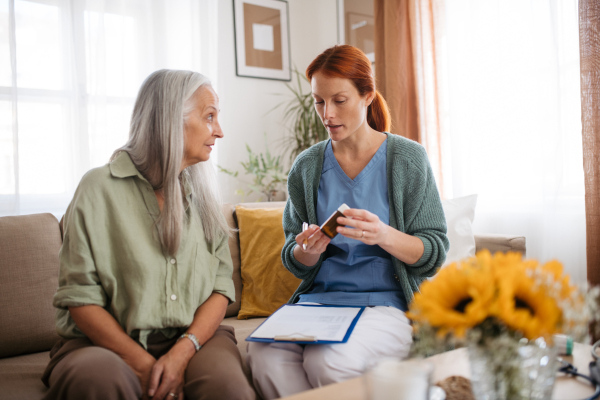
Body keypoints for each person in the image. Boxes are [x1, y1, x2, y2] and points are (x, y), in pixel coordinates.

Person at [246, 45, 449, 399]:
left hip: (386, 305)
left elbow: (434, 253)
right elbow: (294, 260)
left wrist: (384, 235)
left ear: (367, 95)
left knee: (327, 362)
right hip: (319, 304)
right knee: (264, 355)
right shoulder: (307, 167)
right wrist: (307, 250)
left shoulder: (407, 159)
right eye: (319, 102)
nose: (327, 113)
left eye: (339, 100)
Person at [41, 69, 255, 400]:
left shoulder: (203, 196)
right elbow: (79, 298)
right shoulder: (98, 189)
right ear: (171, 120)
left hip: (194, 339)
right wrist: (142, 363)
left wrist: (182, 352)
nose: (220, 131)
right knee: (99, 382)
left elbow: (221, 287)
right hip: (102, 345)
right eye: (209, 116)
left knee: (227, 389)